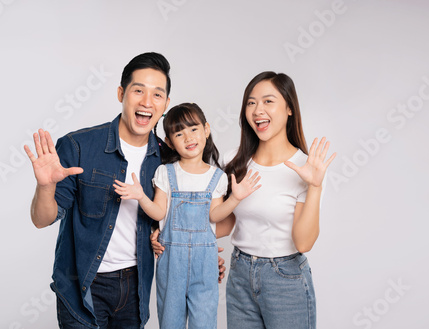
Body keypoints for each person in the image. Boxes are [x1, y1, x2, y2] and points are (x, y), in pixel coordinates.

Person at [23, 52, 172, 329]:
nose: (146, 102)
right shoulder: (78, 146)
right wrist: (45, 186)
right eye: (138, 90)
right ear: (121, 93)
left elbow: (180, 218)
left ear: (165, 104)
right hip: (83, 286)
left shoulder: (167, 159)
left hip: (136, 288)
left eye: (157, 95)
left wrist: (205, 256)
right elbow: (41, 219)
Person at [113, 103, 260, 329]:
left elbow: (215, 214)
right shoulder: (166, 172)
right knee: (171, 323)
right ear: (170, 142)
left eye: (193, 129)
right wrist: (141, 197)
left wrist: (235, 198)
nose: (188, 138)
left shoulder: (217, 177)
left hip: (206, 265)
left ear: (206, 129)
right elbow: (159, 212)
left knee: (204, 323)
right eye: (179, 133)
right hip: (171, 263)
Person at [221, 71, 336, 329]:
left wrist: (314, 186)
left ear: (289, 109)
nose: (258, 110)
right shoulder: (234, 161)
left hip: (286, 280)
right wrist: (170, 237)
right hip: (239, 274)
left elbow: (304, 242)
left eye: (268, 101)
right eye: (251, 103)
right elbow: (224, 224)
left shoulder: (306, 168)